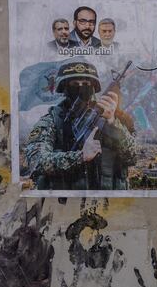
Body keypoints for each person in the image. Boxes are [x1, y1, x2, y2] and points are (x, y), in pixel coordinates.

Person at [24, 61, 135, 190]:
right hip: (64, 204)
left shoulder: (115, 118)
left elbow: (133, 157)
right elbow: (37, 161)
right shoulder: (52, 121)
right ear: (64, 88)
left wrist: (111, 121)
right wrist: (80, 156)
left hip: (110, 202)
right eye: (74, 84)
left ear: (93, 88)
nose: (81, 88)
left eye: (86, 84)